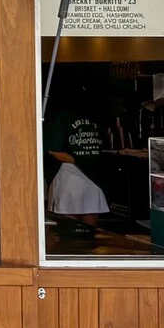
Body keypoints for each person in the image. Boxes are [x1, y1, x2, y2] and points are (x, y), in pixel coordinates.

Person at [43, 93, 108, 228]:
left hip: (70, 176)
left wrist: (73, 159)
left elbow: (52, 150)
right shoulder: (95, 117)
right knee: (89, 230)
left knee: (68, 230)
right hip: (90, 177)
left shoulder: (58, 116)